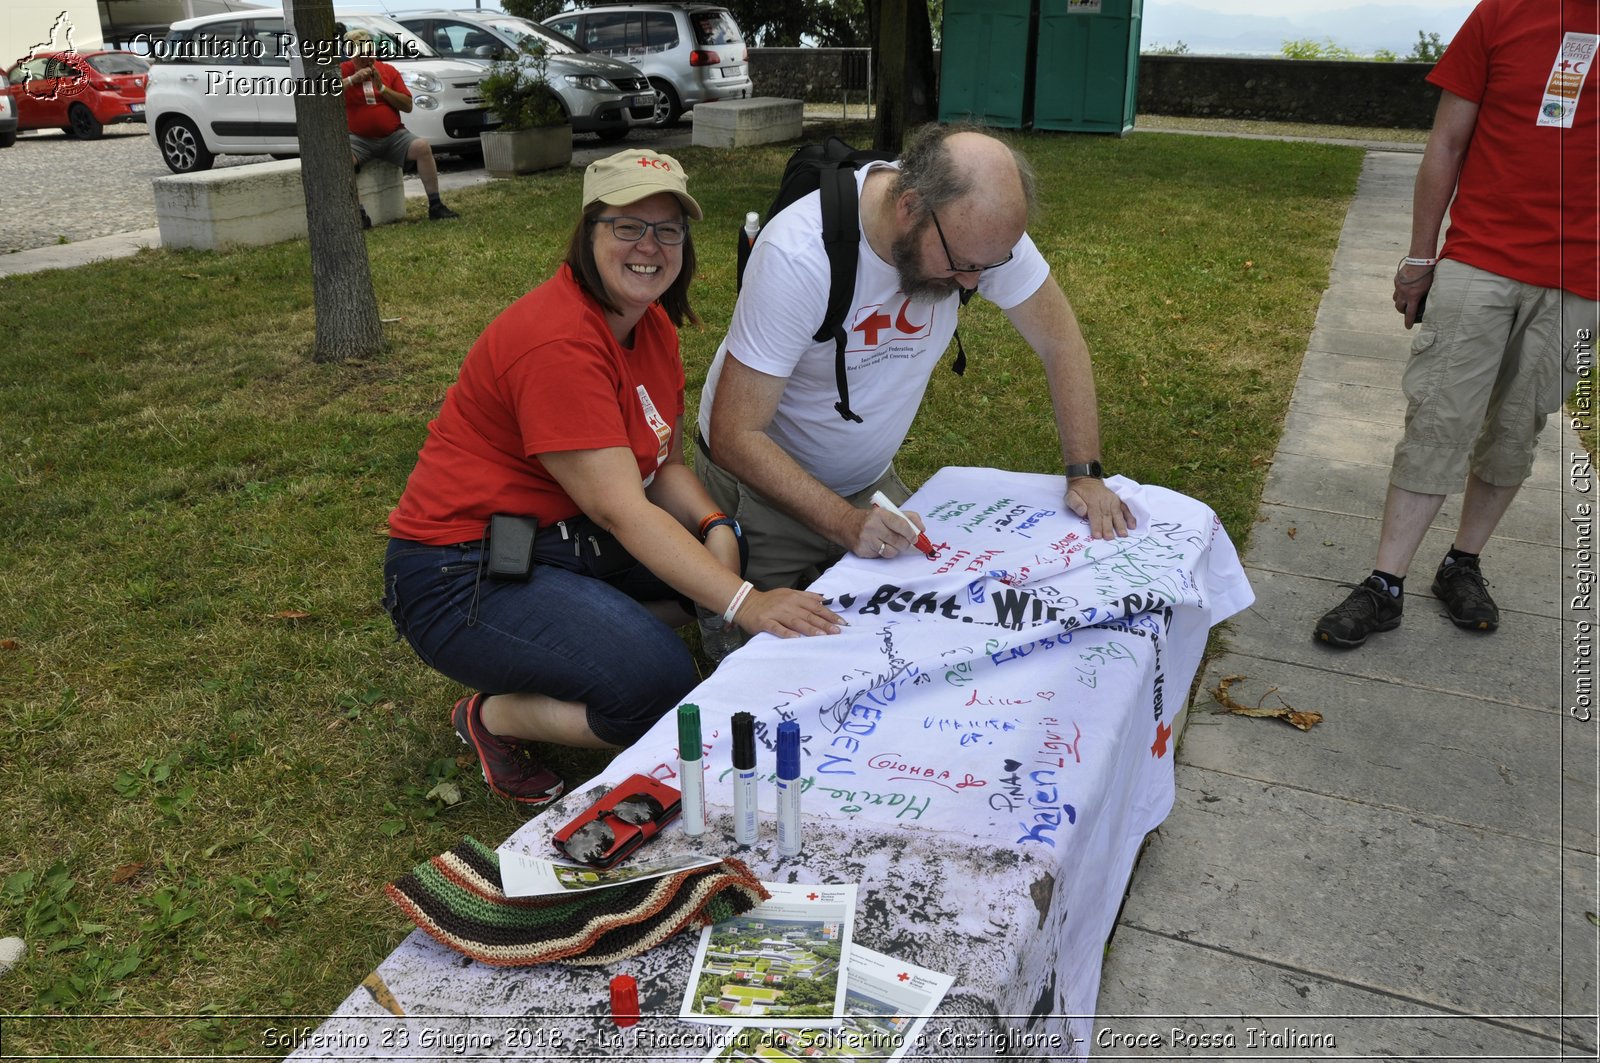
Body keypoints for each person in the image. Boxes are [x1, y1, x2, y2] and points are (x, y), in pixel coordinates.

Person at [382, 149, 843, 806]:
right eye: (627, 226)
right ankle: (488, 717)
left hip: (557, 538)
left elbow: (666, 466)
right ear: (587, 233)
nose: (649, 246)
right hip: (461, 572)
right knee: (655, 685)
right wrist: (743, 601)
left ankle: (596, 625)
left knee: (729, 567)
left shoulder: (649, 322)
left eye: (668, 229)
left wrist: (716, 525)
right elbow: (623, 511)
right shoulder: (557, 341)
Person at [696, 123, 1134, 593]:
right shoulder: (798, 254)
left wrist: (1085, 473)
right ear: (909, 207)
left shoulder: (974, 235)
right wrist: (844, 522)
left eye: (985, 267)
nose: (971, 283)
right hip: (760, 496)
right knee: (759, 648)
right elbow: (736, 435)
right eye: (962, 265)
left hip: (868, 486)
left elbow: (1060, 341)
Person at [1312, 0, 1598, 649]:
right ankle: (1385, 583)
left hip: (1581, 278)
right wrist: (1420, 254)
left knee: (1514, 429)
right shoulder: (1505, 14)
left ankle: (1462, 563)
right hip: (1480, 257)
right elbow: (1446, 140)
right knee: (1440, 416)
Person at [340, 28, 458, 224]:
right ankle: (358, 214)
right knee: (342, 160)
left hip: (393, 135)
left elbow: (407, 105)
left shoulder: (387, 71)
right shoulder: (343, 70)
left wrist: (383, 89)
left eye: (369, 52)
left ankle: (436, 205)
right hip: (358, 138)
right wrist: (353, 79)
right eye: (360, 54)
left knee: (422, 147)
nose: (366, 58)